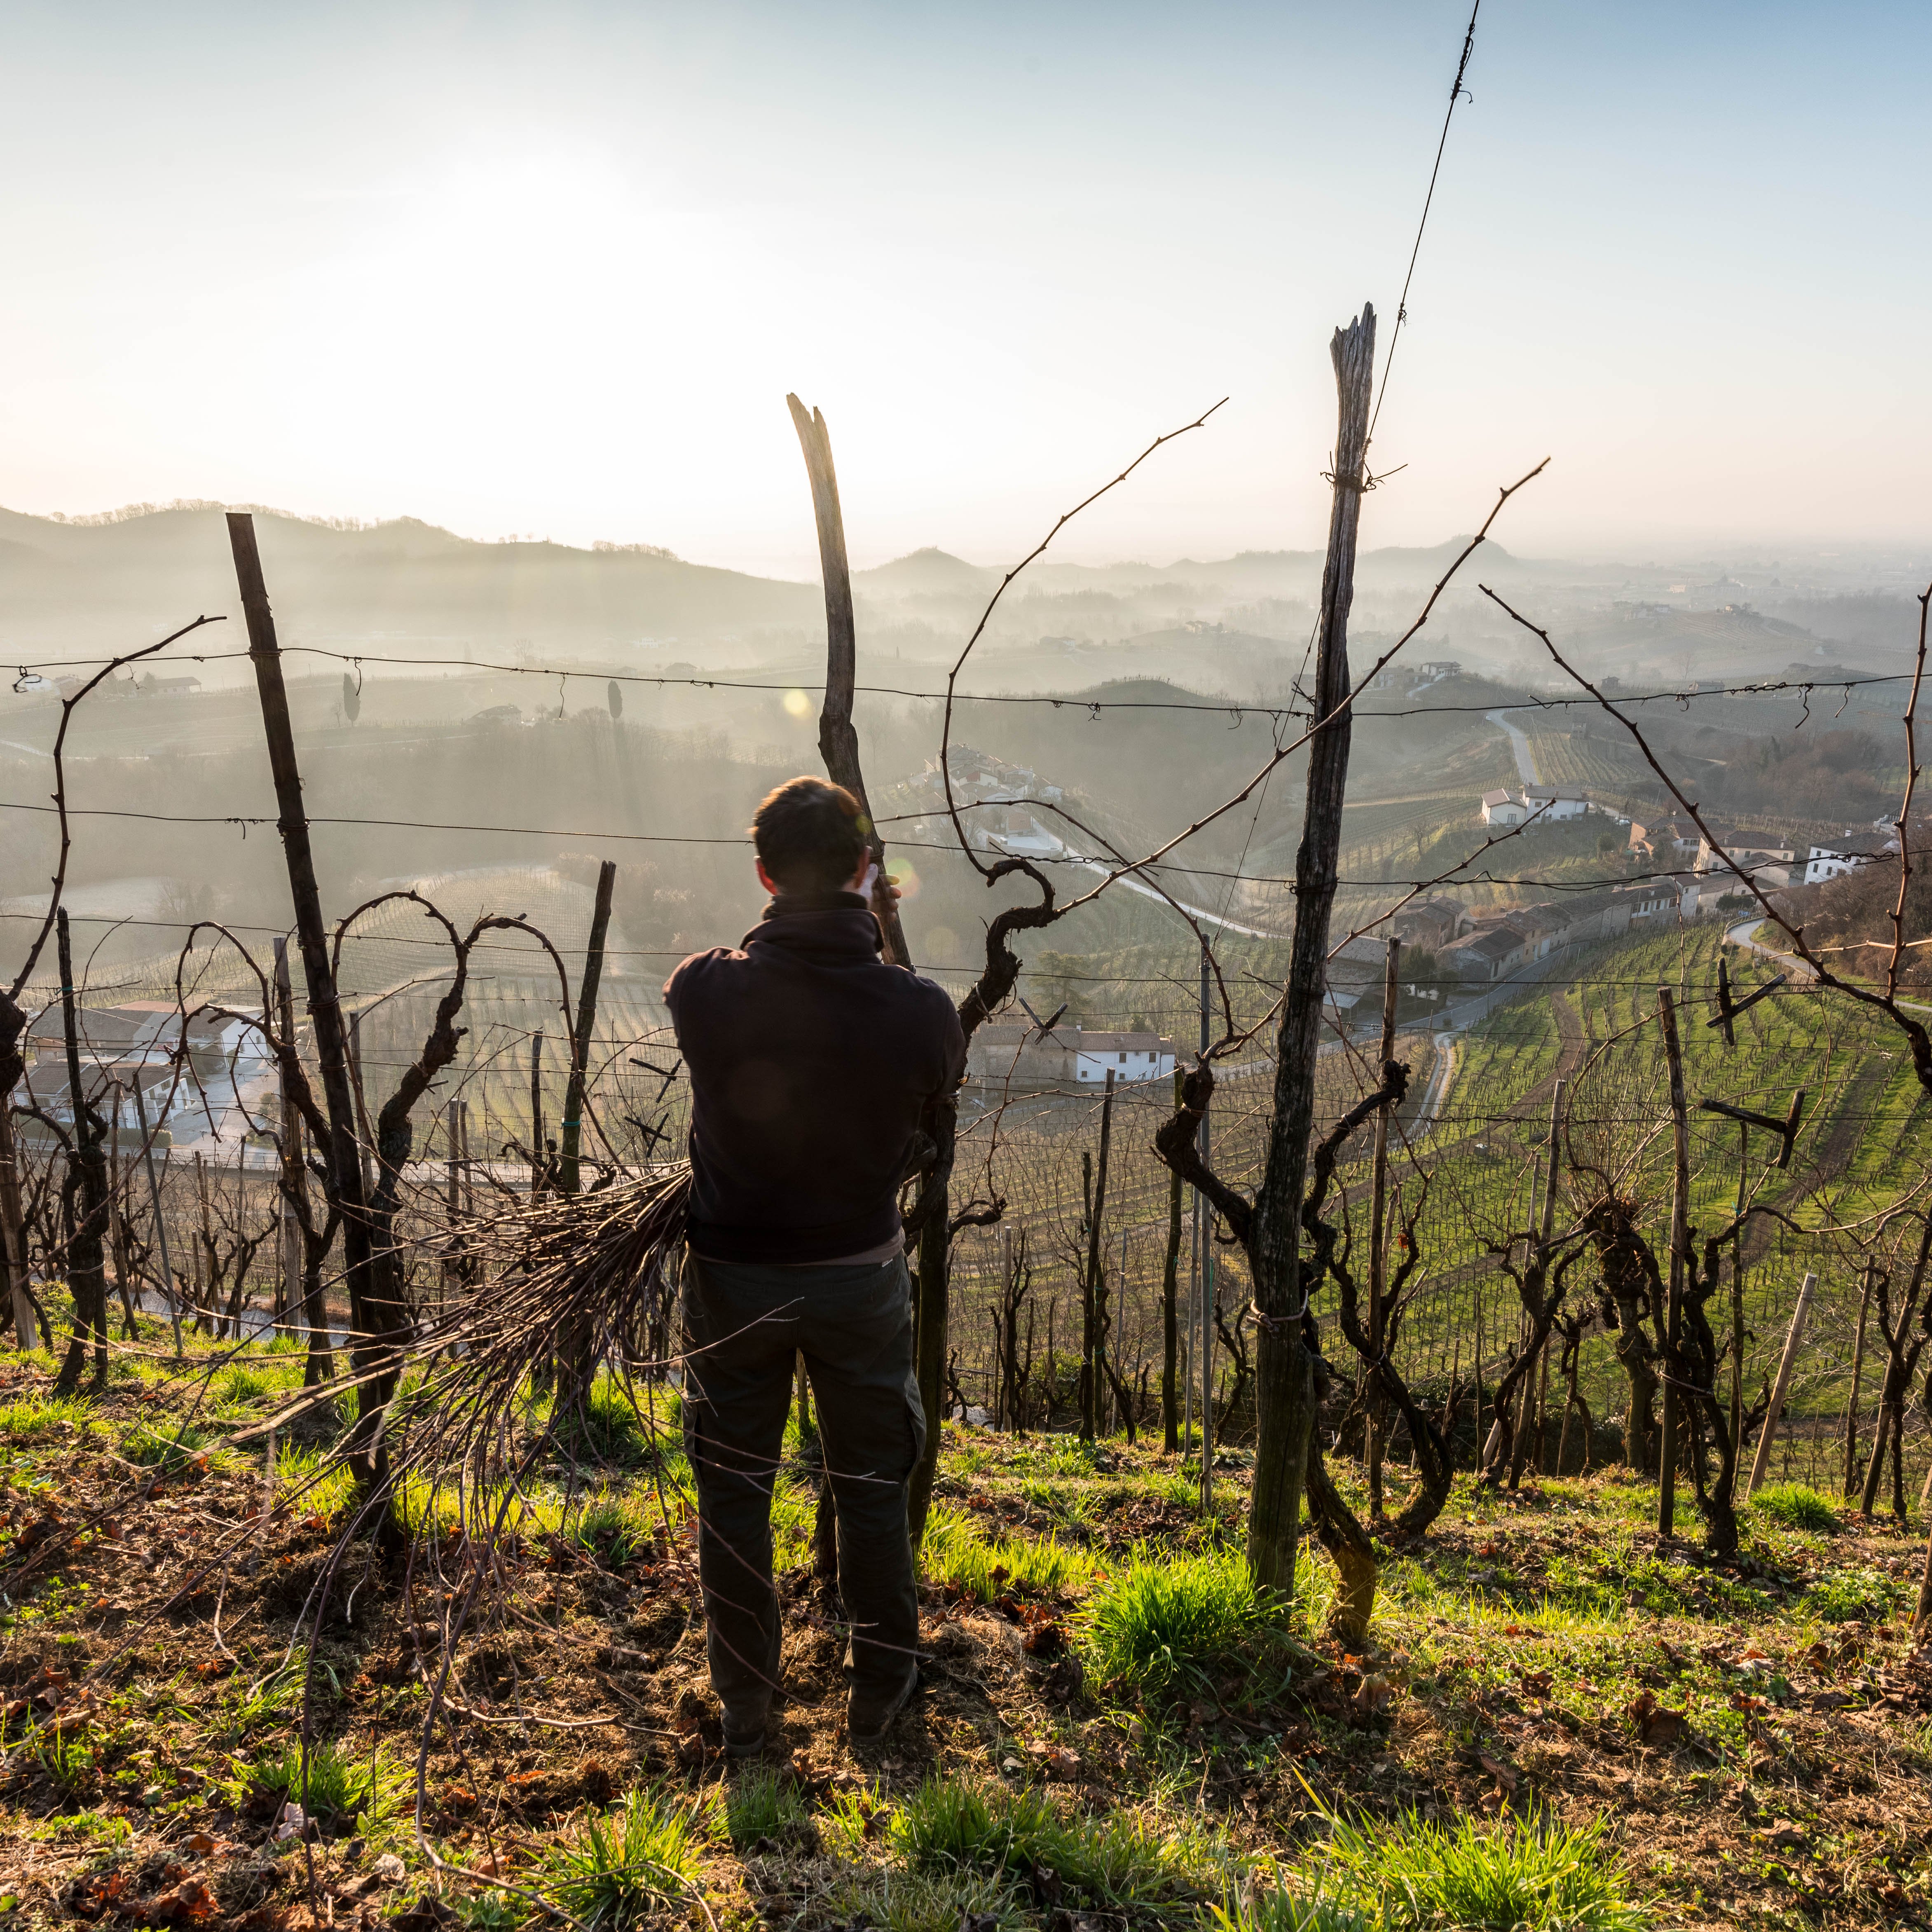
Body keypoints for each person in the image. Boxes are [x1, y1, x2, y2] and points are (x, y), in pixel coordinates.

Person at [663, 775, 965, 1756]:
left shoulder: (702, 991)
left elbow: (730, 969)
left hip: (733, 1280)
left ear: (759, 873)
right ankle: (880, 1692)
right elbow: (927, 1100)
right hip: (857, 1279)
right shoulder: (921, 1012)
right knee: (872, 1484)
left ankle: (749, 1708)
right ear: (867, 871)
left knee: (734, 1491)